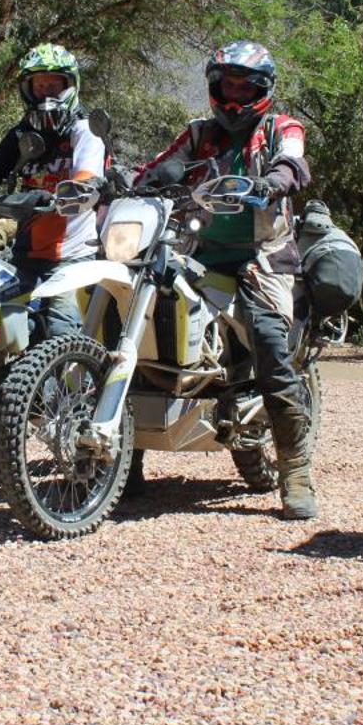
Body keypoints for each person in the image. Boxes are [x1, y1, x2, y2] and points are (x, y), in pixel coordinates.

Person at [138, 40, 318, 521]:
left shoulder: (282, 127)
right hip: (202, 254)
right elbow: (160, 165)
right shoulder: (199, 134)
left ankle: (295, 471)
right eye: (227, 85)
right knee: (149, 321)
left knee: (268, 344)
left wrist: (274, 181)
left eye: (244, 86)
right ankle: (123, 460)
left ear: (262, 89)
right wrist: (132, 180)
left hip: (264, 256)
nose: (234, 95)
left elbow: (293, 162)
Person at [0, 43, 109, 472]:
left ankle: (80, 449)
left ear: (71, 86)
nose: (48, 93)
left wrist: (71, 189)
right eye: (40, 85)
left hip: (72, 258)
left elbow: (88, 177)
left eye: (56, 84)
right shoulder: (21, 134)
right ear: (28, 90)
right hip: (24, 255)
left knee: (63, 340)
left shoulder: (85, 131)